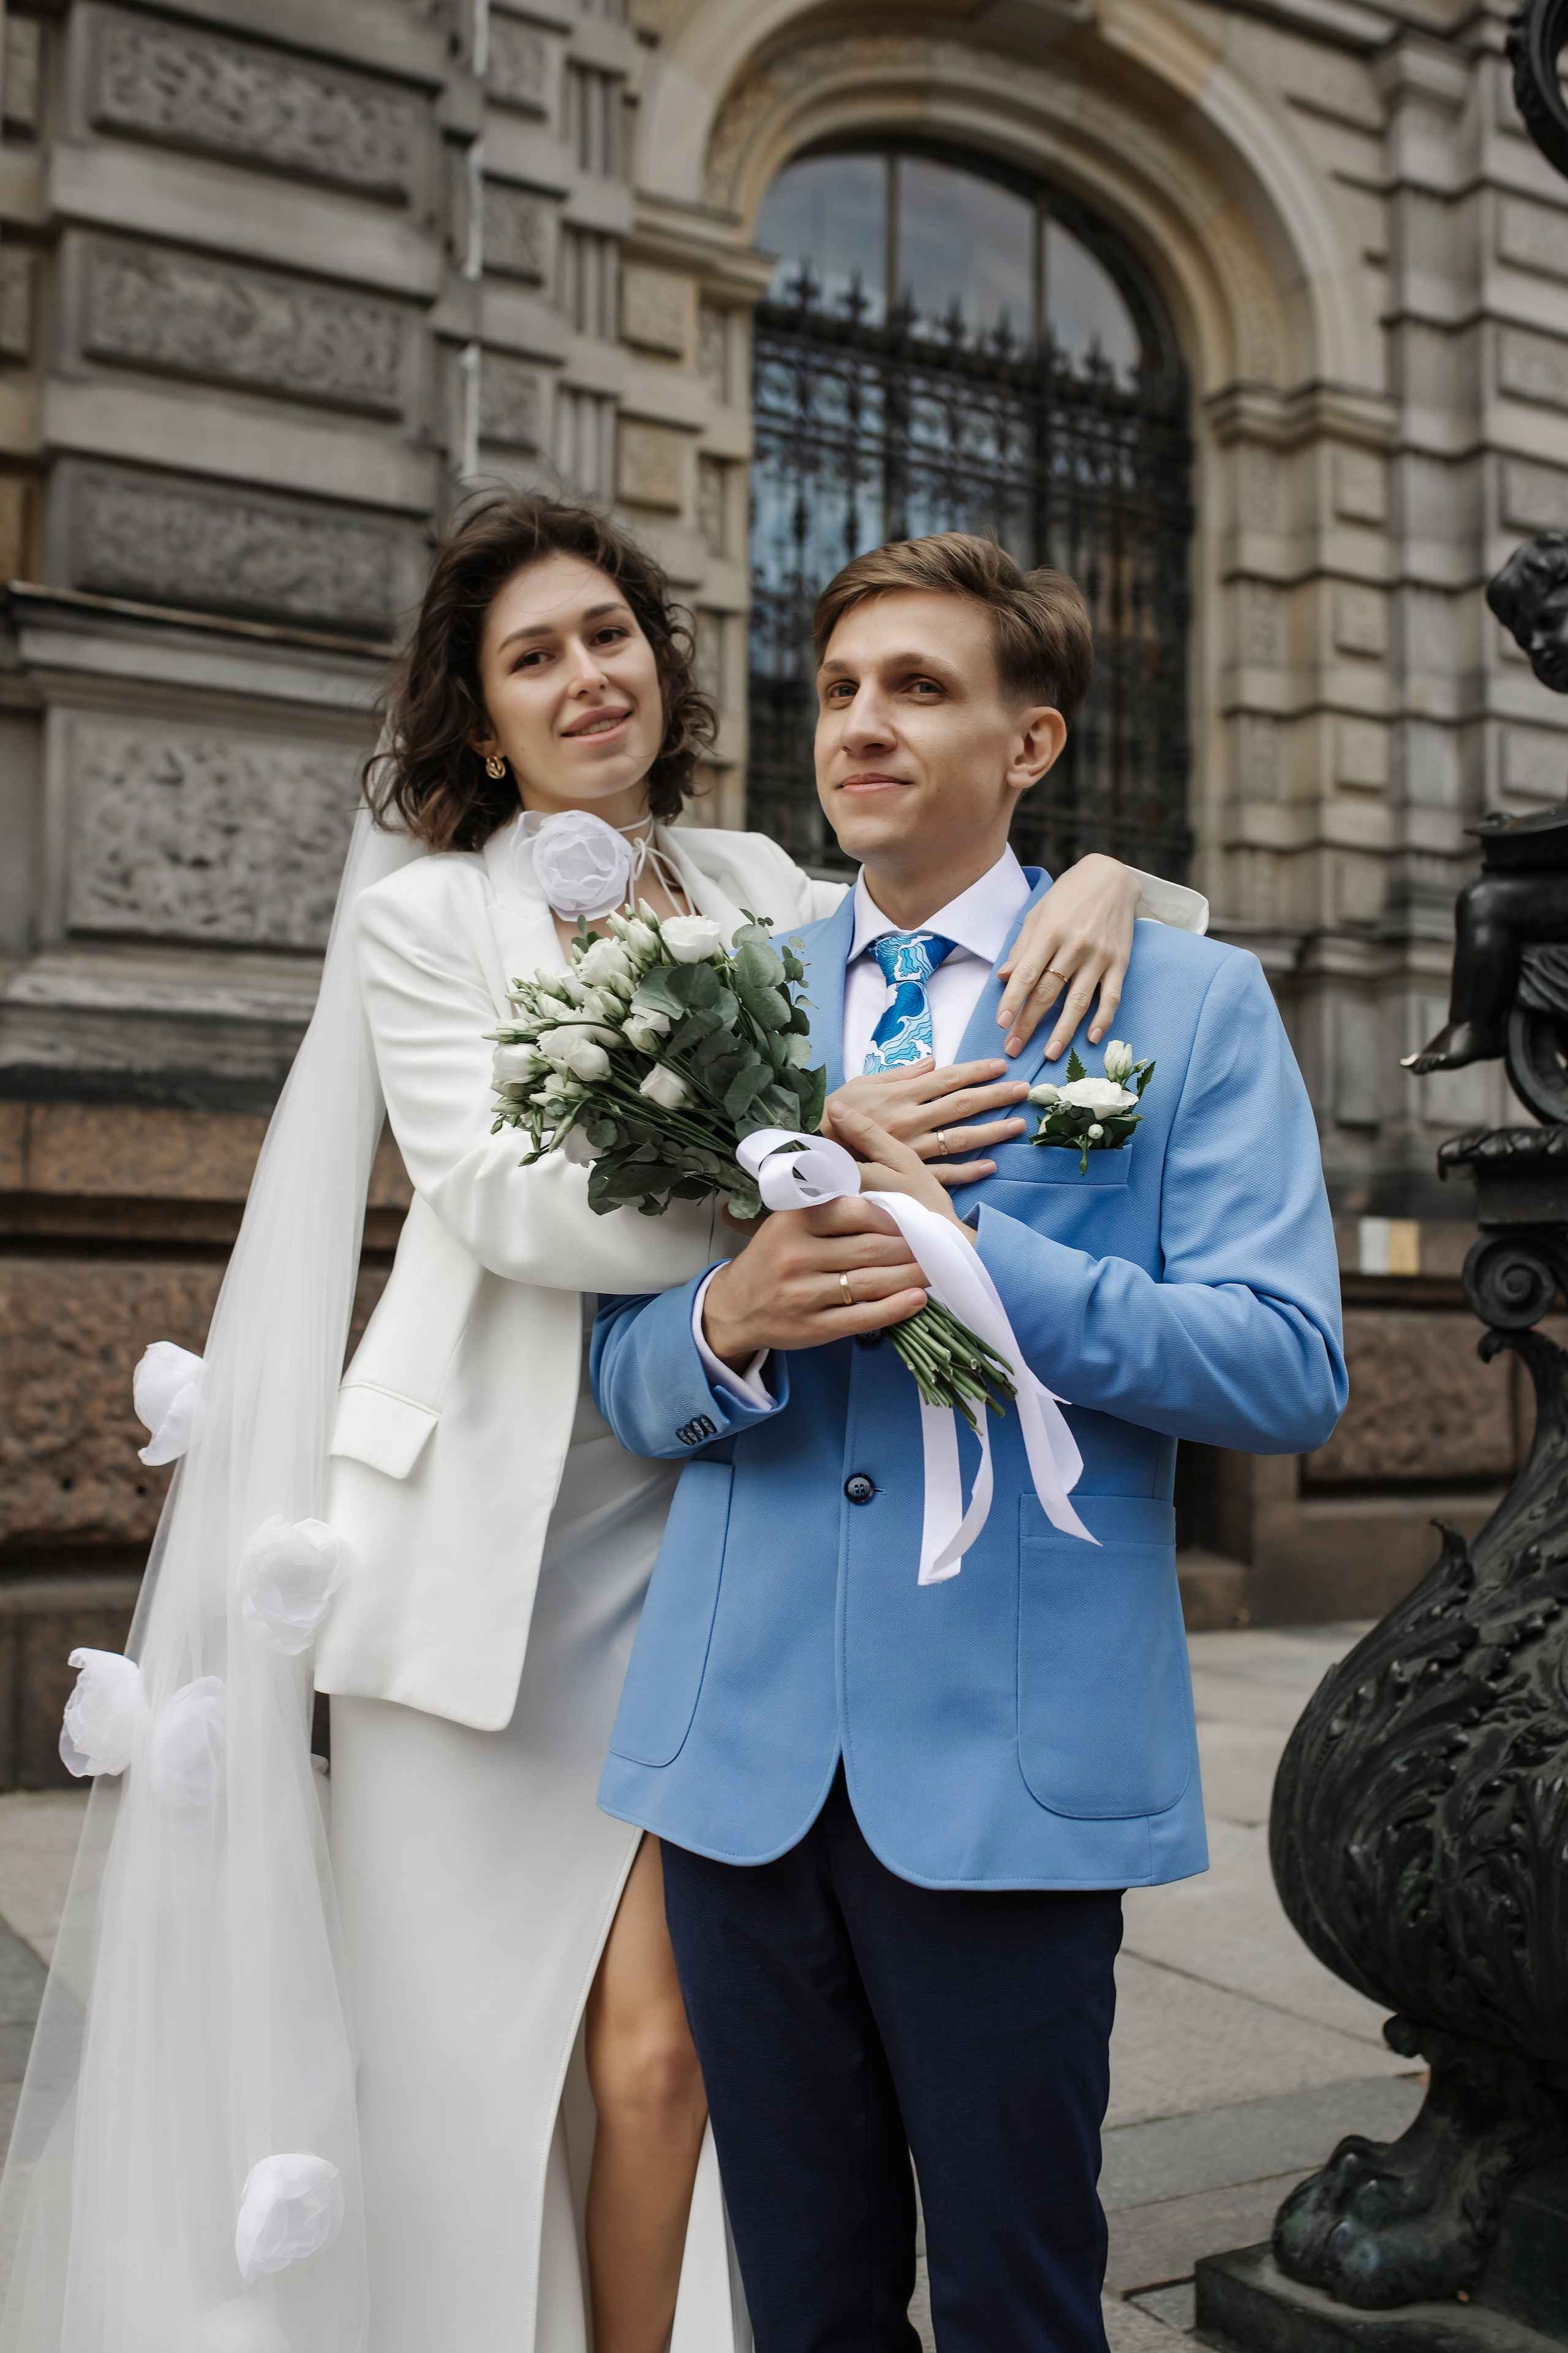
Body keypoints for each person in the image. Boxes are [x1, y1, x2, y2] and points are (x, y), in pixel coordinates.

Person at [0, 493, 1204, 2353]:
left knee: (667, 2062)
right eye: (535, 656)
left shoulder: (753, 884)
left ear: (663, 660)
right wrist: (786, 1178)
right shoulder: (427, 917)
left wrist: (1118, 877)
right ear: (483, 718)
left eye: (612, 634)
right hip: (483, 1560)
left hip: (708, 1537)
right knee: (474, 2068)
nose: (587, 676)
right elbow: (501, 1198)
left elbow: (963, 901)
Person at [590, 531, 1348, 2353]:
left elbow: (1290, 1368)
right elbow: (620, 1378)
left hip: (1012, 1765)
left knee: (1018, 2293)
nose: (862, 725)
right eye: (840, 688)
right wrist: (727, 1322)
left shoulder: (1183, 1003)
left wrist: (979, 1254)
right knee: (803, 2295)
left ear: (1032, 744)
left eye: (919, 688)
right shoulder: (725, 999)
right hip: (742, 1756)